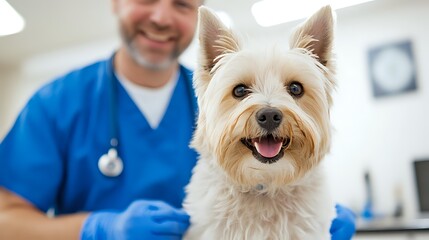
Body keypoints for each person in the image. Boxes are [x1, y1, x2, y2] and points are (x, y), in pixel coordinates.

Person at [0, 0, 356, 239]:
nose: (161, 16)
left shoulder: (214, 93)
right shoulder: (56, 104)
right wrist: (98, 228)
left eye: (182, 3)